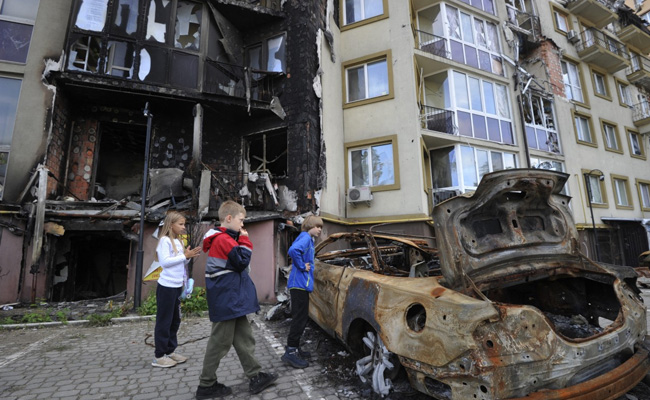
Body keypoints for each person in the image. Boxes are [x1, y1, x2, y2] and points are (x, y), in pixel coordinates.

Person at [195, 200, 277, 399]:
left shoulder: (224, 238)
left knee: (244, 338)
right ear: (229, 218)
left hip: (231, 299)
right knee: (219, 342)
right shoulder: (223, 239)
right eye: (241, 220)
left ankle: (255, 375)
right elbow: (241, 262)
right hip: (228, 299)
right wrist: (246, 241)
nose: (242, 224)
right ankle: (206, 385)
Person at [152, 211, 201, 368]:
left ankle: (170, 351)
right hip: (166, 287)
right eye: (180, 224)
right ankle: (159, 356)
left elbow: (180, 263)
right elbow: (165, 262)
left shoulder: (178, 241)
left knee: (175, 320)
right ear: (171, 225)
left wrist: (188, 257)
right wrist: (184, 256)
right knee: (164, 321)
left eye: (184, 224)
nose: (183, 227)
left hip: (177, 286)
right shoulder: (164, 241)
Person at [281, 215, 323, 369]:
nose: (319, 230)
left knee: (301, 317)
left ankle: (295, 347)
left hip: (300, 285)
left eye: (321, 227)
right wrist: (301, 265)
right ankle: (290, 352)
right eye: (317, 226)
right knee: (299, 318)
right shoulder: (305, 237)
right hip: (298, 285)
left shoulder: (307, 239)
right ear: (310, 226)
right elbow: (293, 251)